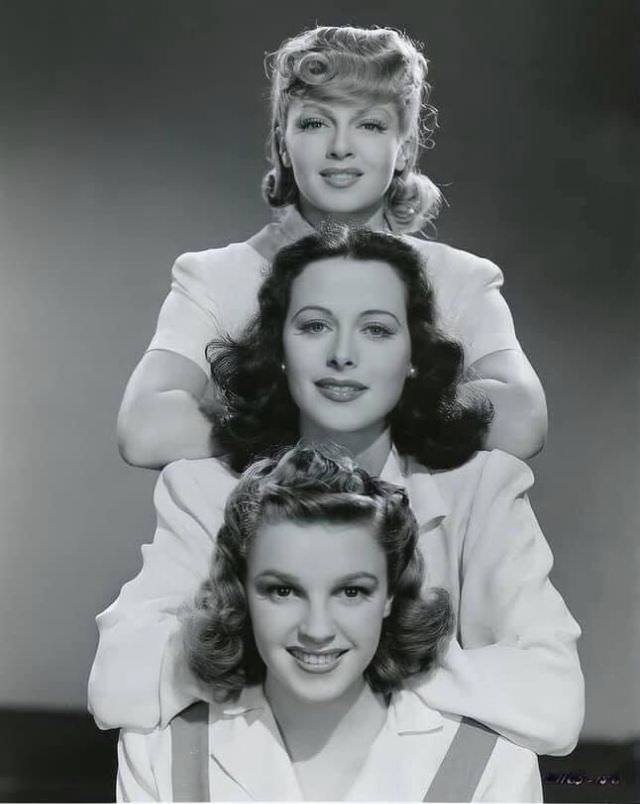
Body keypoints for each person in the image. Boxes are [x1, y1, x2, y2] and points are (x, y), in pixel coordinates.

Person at [89, 227, 584, 756]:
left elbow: (554, 703)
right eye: (315, 326)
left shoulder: (483, 487)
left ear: (414, 355)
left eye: (375, 330)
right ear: (278, 348)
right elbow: (118, 682)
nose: (342, 355)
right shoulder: (201, 486)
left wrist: (343, 650)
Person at [116, 25, 547, 469]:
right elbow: (144, 430)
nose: (341, 147)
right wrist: (324, 405)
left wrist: (348, 398)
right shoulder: (213, 277)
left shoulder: (460, 279)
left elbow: (524, 419)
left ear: (404, 149)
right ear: (284, 143)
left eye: (370, 124)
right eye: (316, 123)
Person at [116, 444, 543, 801]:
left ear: (391, 594)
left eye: (351, 592)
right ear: (242, 591)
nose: (317, 629)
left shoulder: (491, 765)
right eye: (283, 591)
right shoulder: (163, 754)